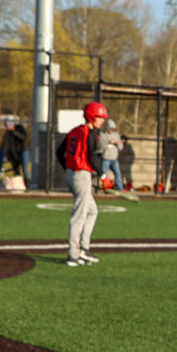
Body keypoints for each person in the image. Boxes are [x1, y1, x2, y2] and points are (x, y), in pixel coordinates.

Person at [59, 101, 108, 266]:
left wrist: (68, 167)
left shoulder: (75, 130)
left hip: (72, 173)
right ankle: (73, 254)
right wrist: (103, 176)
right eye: (100, 117)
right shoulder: (91, 132)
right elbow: (92, 157)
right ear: (91, 116)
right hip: (81, 174)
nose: (103, 120)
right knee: (79, 216)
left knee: (92, 211)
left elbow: (59, 151)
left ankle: (84, 249)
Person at [98, 120, 124, 191]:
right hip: (105, 158)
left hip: (114, 159)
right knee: (105, 175)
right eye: (110, 128)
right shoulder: (102, 134)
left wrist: (118, 143)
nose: (111, 130)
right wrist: (108, 142)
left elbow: (121, 147)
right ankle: (106, 189)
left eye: (113, 129)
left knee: (118, 174)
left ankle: (119, 189)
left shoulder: (116, 135)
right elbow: (101, 145)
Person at [1, 118, 28, 188]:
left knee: (24, 169)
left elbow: (23, 137)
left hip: (23, 151)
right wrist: (4, 154)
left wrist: (13, 131)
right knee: (16, 169)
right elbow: (6, 144)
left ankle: (27, 184)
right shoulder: (8, 133)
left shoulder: (19, 128)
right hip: (14, 153)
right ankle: (19, 184)